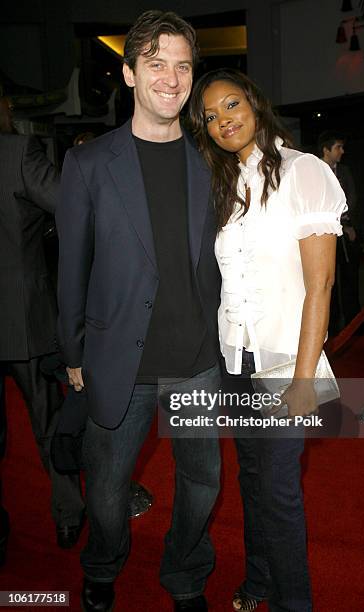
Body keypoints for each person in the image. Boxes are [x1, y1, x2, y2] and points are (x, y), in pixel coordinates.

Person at [56, 11, 221, 612]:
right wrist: (72, 353)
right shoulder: (90, 164)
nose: (172, 78)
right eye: (156, 64)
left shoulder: (212, 162)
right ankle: (102, 565)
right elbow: (70, 266)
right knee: (104, 491)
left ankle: (185, 575)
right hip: (116, 360)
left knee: (203, 486)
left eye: (182, 65)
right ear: (128, 74)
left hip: (198, 359)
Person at [189, 69, 346, 612]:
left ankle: (293, 603)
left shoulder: (305, 173)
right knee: (252, 480)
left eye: (231, 103)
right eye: (209, 115)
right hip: (235, 356)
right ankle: (259, 583)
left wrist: (304, 381)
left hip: (285, 360)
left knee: (279, 494)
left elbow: (319, 286)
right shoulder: (224, 183)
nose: (222, 119)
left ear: (254, 104)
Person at [0, 96, 85, 555]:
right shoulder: (18, 152)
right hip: (23, 317)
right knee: (49, 423)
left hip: (21, 316)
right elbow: (70, 207)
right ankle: (69, 514)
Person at [318, 131, 362, 334]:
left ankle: (355, 323)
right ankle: (332, 326)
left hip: (347, 233)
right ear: (326, 150)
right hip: (324, 235)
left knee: (350, 280)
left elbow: (351, 199)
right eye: (338, 147)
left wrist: (347, 224)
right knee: (328, 283)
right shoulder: (314, 170)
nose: (342, 151)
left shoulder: (344, 171)